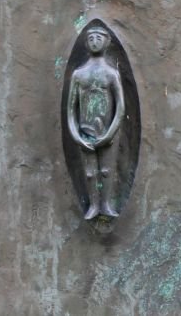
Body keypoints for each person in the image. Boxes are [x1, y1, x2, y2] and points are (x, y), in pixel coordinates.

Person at [66, 25, 125, 219]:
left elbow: (121, 107)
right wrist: (76, 135)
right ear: (86, 43)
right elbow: (70, 110)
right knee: (90, 172)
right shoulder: (79, 75)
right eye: (91, 38)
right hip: (85, 131)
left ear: (107, 42)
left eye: (99, 38)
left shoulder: (111, 74)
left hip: (107, 131)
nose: (94, 42)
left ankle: (106, 204)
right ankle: (93, 205)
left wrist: (110, 134)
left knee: (107, 170)